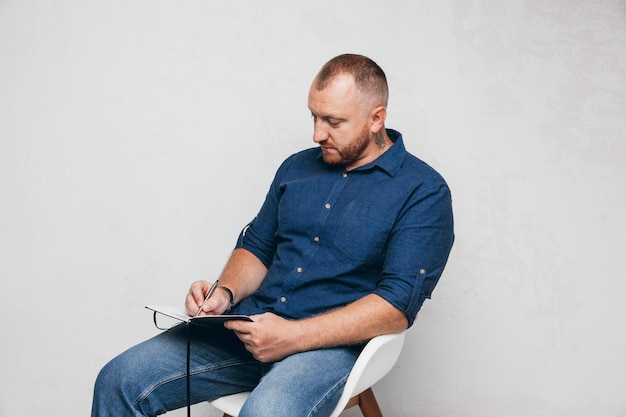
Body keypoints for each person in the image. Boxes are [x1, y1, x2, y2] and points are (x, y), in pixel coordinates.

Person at [91, 53, 454, 417]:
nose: (317, 133)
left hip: (329, 349)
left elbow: (395, 307)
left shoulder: (423, 191)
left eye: (333, 121)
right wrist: (223, 293)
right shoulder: (296, 167)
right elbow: (258, 248)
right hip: (252, 329)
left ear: (376, 118)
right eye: (314, 116)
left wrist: (291, 337)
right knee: (118, 380)